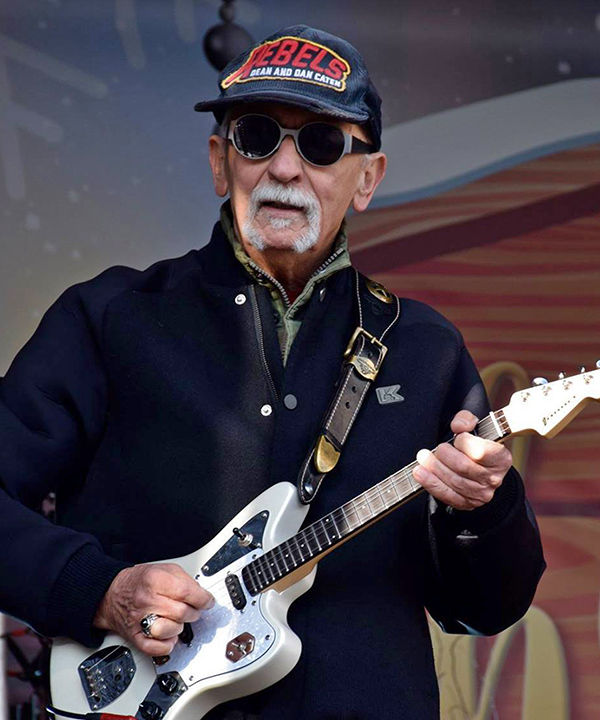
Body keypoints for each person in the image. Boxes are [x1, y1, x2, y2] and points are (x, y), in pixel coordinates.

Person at [0, 25, 544, 720]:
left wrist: (485, 509)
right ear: (219, 162)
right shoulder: (109, 317)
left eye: (321, 143)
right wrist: (97, 589)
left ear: (368, 178)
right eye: (257, 136)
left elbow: (487, 609)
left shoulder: (426, 348)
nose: (285, 168)